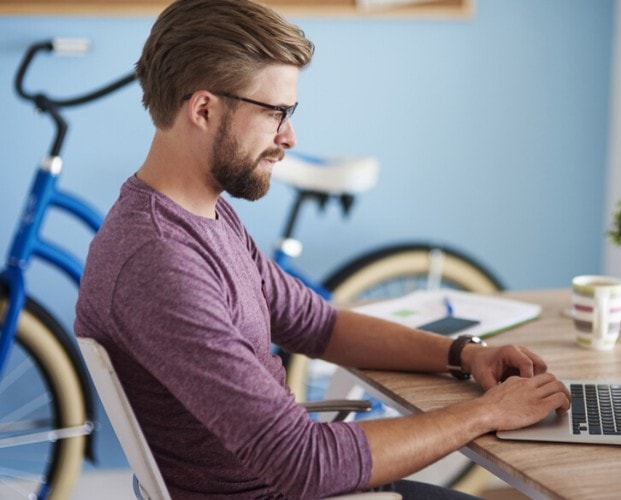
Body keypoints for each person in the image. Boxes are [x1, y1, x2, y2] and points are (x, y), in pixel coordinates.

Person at [74, 0, 571, 498]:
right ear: (204, 109)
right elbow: (303, 463)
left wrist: (463, 354)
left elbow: (316, 324)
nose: (289, 136)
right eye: (275, 113)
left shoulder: (202, 216)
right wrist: (489, 412)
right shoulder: (161, 261)